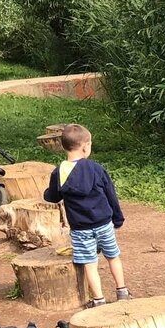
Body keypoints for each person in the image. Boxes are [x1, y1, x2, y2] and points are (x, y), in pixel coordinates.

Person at [44, 123, 130, 307]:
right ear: (85, 146)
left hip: (80, 229)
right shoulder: (96, 169)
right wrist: (118, 217)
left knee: (90, 264)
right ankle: (122, 291)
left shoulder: (59, 172)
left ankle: (99, 300)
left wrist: (46, 193)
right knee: (113, 256)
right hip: (104, 223)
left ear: (64, 146)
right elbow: (110, 194)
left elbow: (53, 196)